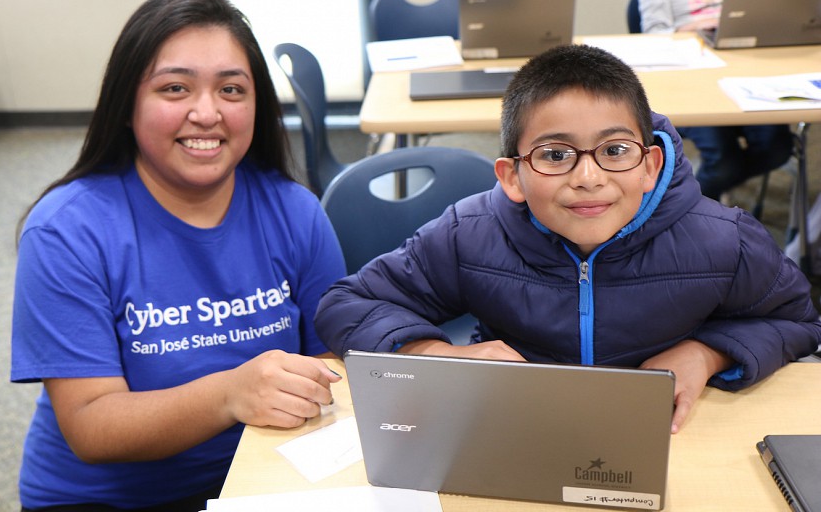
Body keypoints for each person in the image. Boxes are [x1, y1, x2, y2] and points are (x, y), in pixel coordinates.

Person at [315, 44, 821, 436]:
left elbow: (796, 319)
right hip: (511, 429)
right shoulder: (468, 235)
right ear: (512, 176)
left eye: (615, 149)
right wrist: (436, 355)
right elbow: (347, 303)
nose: (588, 177)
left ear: (650, 165)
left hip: (669, 435)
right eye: (555, 155)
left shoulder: (722, 241)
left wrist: (708, 353)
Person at [10, 0, 346, 511]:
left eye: (232, 90)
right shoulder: (65, 231)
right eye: (175, 89)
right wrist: (231, 394)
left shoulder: (296, 211)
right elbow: (91, 426)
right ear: (127, 105)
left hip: (266, 473)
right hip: (111, 498)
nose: (207, 113)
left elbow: (331, 360)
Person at [638, 0, 802, 201]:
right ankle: (683, 206)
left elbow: (790, 3)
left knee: (776, 148)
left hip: (744, 80)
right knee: (724, 162)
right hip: (693, 88)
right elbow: (655, 34)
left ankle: (691, 194)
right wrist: (703, 26)